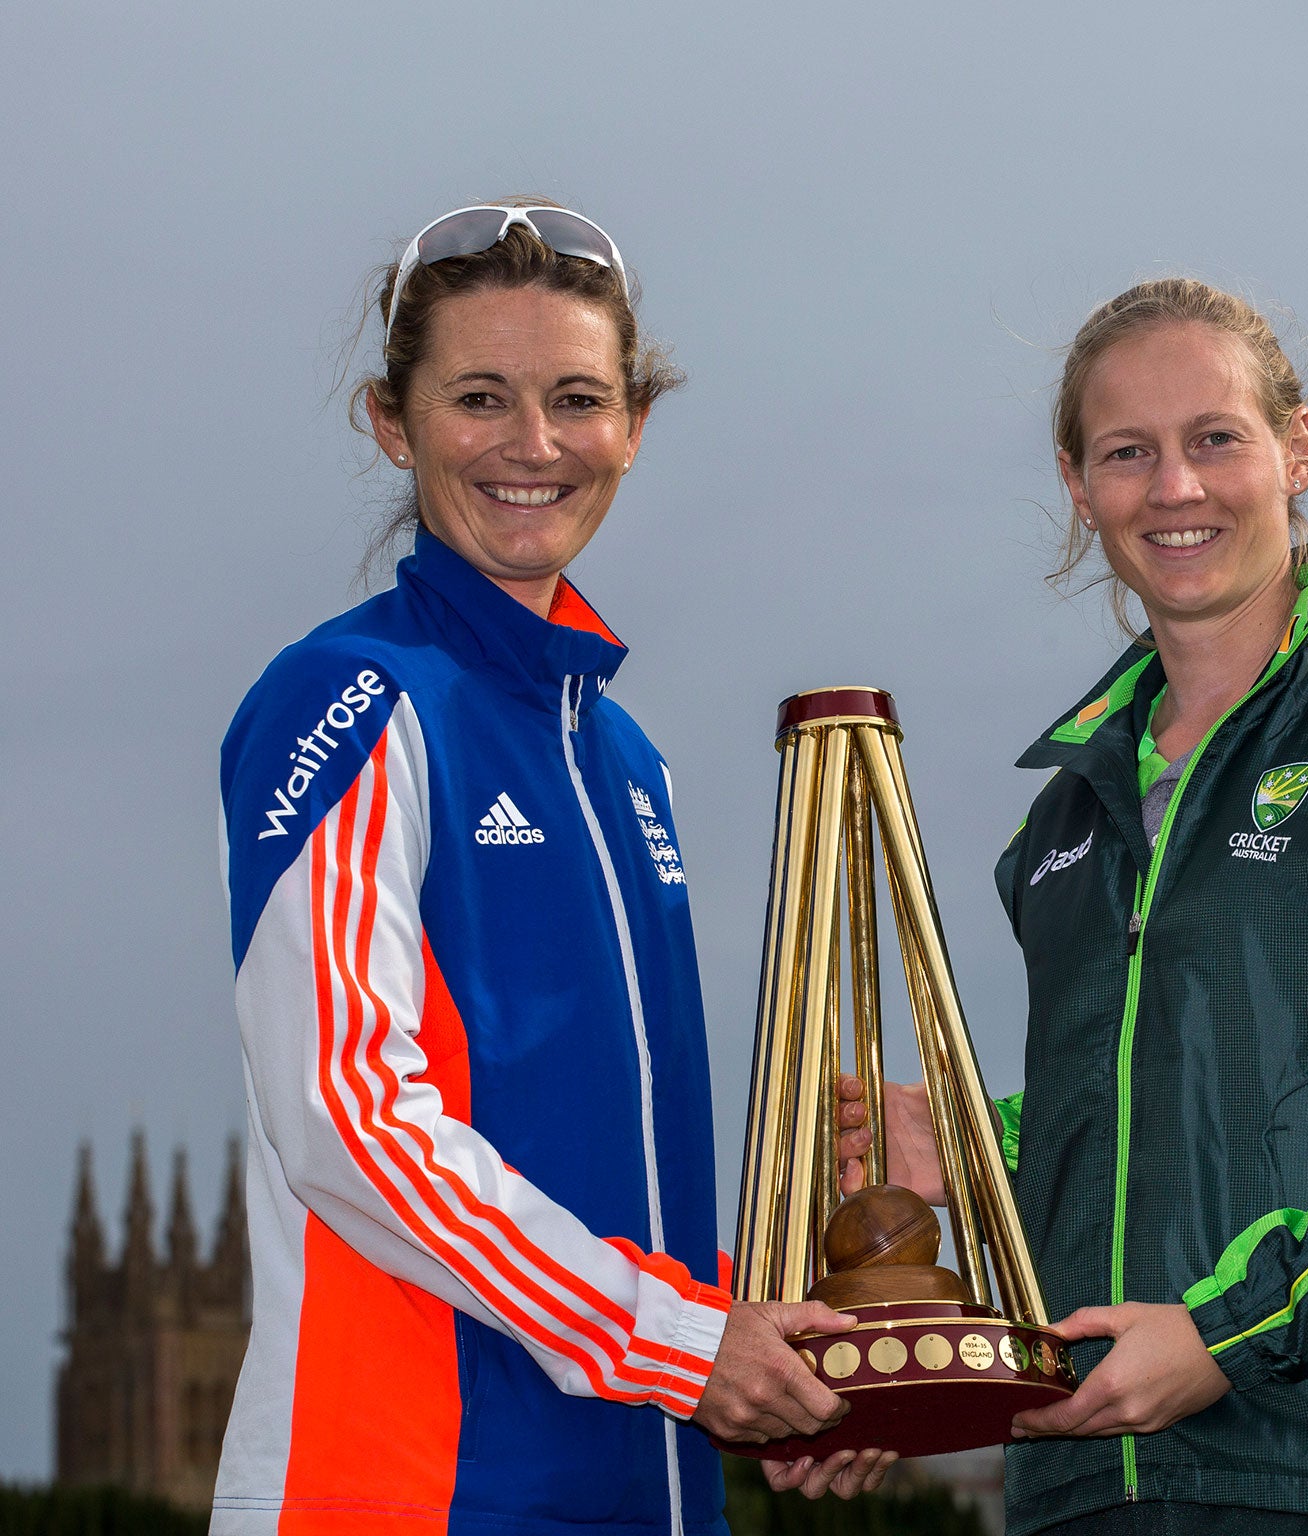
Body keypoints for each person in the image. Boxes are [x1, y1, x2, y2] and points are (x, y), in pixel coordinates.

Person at [839, 278, 1308, 1535]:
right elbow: (1179, 1115)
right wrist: (980, 1156)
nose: (1174, 488)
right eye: (1127, 454)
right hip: (1079, 1489)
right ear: (1079, 489)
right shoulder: (1065, 820)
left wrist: (1225, 1334)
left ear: (1295, 449)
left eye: (1214, 439)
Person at [216, 200, 889, 1536]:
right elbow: (351, 1119)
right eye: (480, 397)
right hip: (409, 1497)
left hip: (643, 1494)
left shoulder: (626, 757)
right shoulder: (350, 697)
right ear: (392, 423)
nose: (534, 445)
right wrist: (688, 1346)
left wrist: (772, 1359)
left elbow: (621, 1174)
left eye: (577, 399)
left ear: (633, 427)